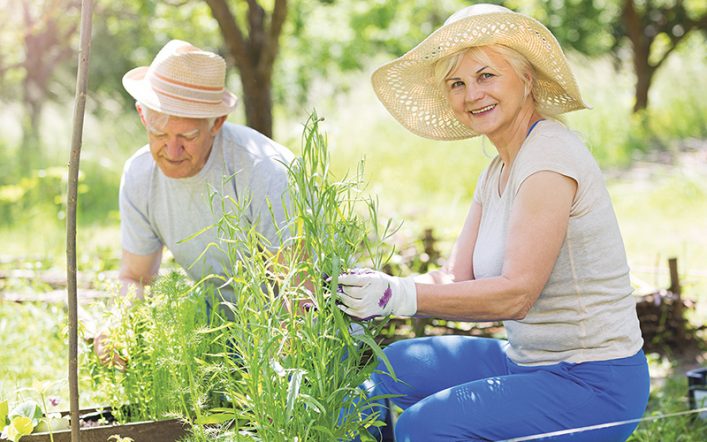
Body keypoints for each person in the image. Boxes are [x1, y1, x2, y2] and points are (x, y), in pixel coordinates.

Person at [337, 4, 649, 441]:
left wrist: (398, 296)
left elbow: (516, 296)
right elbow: (454, 277)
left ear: (526, 79)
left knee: (424, 427)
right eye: (457, 83)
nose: (472, 94)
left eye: (486, 75)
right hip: (527, 361)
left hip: (593, 381)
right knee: (392, 369)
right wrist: (368, 293)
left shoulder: (549, 158)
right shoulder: (498, 169)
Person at [95, 40, 294, 362]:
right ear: (142, 115)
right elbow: (136, 277)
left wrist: (281, 379)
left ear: (217, 123)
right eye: (160, 134)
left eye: (187, 137)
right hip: (222, 332)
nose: (171, 152)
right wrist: (119, 323)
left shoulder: (263, 170)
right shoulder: (140, 175)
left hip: (303, 330)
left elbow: (302, 290)